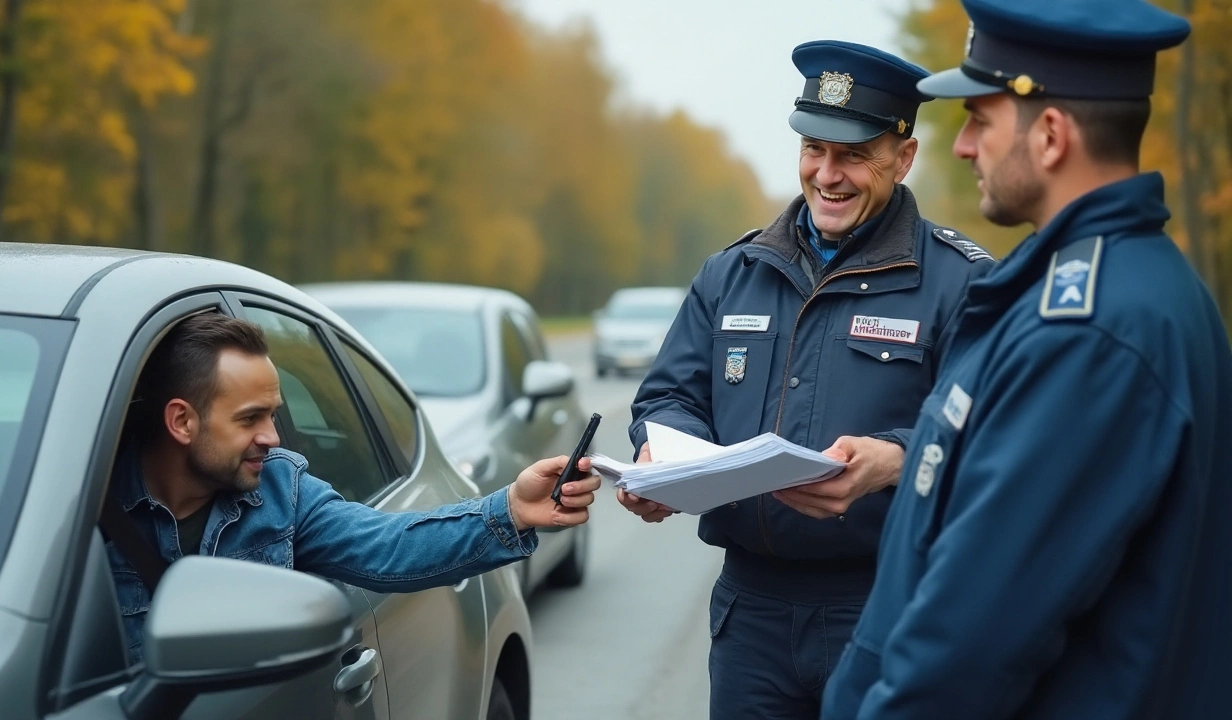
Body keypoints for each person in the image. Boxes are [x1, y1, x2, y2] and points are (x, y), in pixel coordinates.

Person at [821, 0, 1232, 717]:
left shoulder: (1091, 332)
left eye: (980, 121)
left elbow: (972, 643)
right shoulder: (1117, 288)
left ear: (1048, 135)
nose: (963, 146)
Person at [618, 41, 995, 718]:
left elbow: (993, 434)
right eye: (813, 149)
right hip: (751, 615)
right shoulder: (733, 273)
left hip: (888, 606)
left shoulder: (960, 283)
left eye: (853, 154)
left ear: (903, 158)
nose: (828, 174)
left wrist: (897, 459)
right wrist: (664, 459)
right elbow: (669, 394)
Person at [106, 312, 599, 663]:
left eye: (273, 415)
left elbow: (389, 548)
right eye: (249, 419)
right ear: (181, 421)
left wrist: (510, 509)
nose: (272, 438)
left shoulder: (281, 490)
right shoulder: (83, 506)